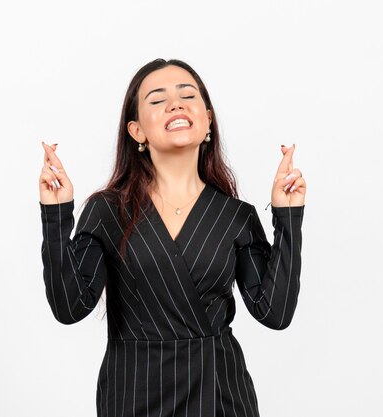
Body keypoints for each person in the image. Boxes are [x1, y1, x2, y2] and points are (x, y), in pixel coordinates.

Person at [38, 58, 306, 417]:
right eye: (157, 99)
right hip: (133, 394)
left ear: (207, 119)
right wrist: (56, 215)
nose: (175, 104)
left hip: (221, 397)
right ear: (136, 131)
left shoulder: (235, 215)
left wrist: (287, 217)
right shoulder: (106, 211)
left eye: (187, 95)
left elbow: (276, 313)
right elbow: (69, 308)